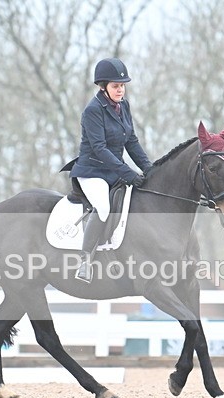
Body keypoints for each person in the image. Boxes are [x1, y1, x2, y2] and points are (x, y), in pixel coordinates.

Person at [69, 57, 153, 282]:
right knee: (104, 208)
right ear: (103, 86)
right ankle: (85, 260)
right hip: (92, 170)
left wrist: (150, 168)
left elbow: (131, 141)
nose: (120, 90)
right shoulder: (92, 111)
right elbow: (99, 149)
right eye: (116, 86)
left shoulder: (123, 106)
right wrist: (128, 173)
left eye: (123, 85)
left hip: (113, 170)